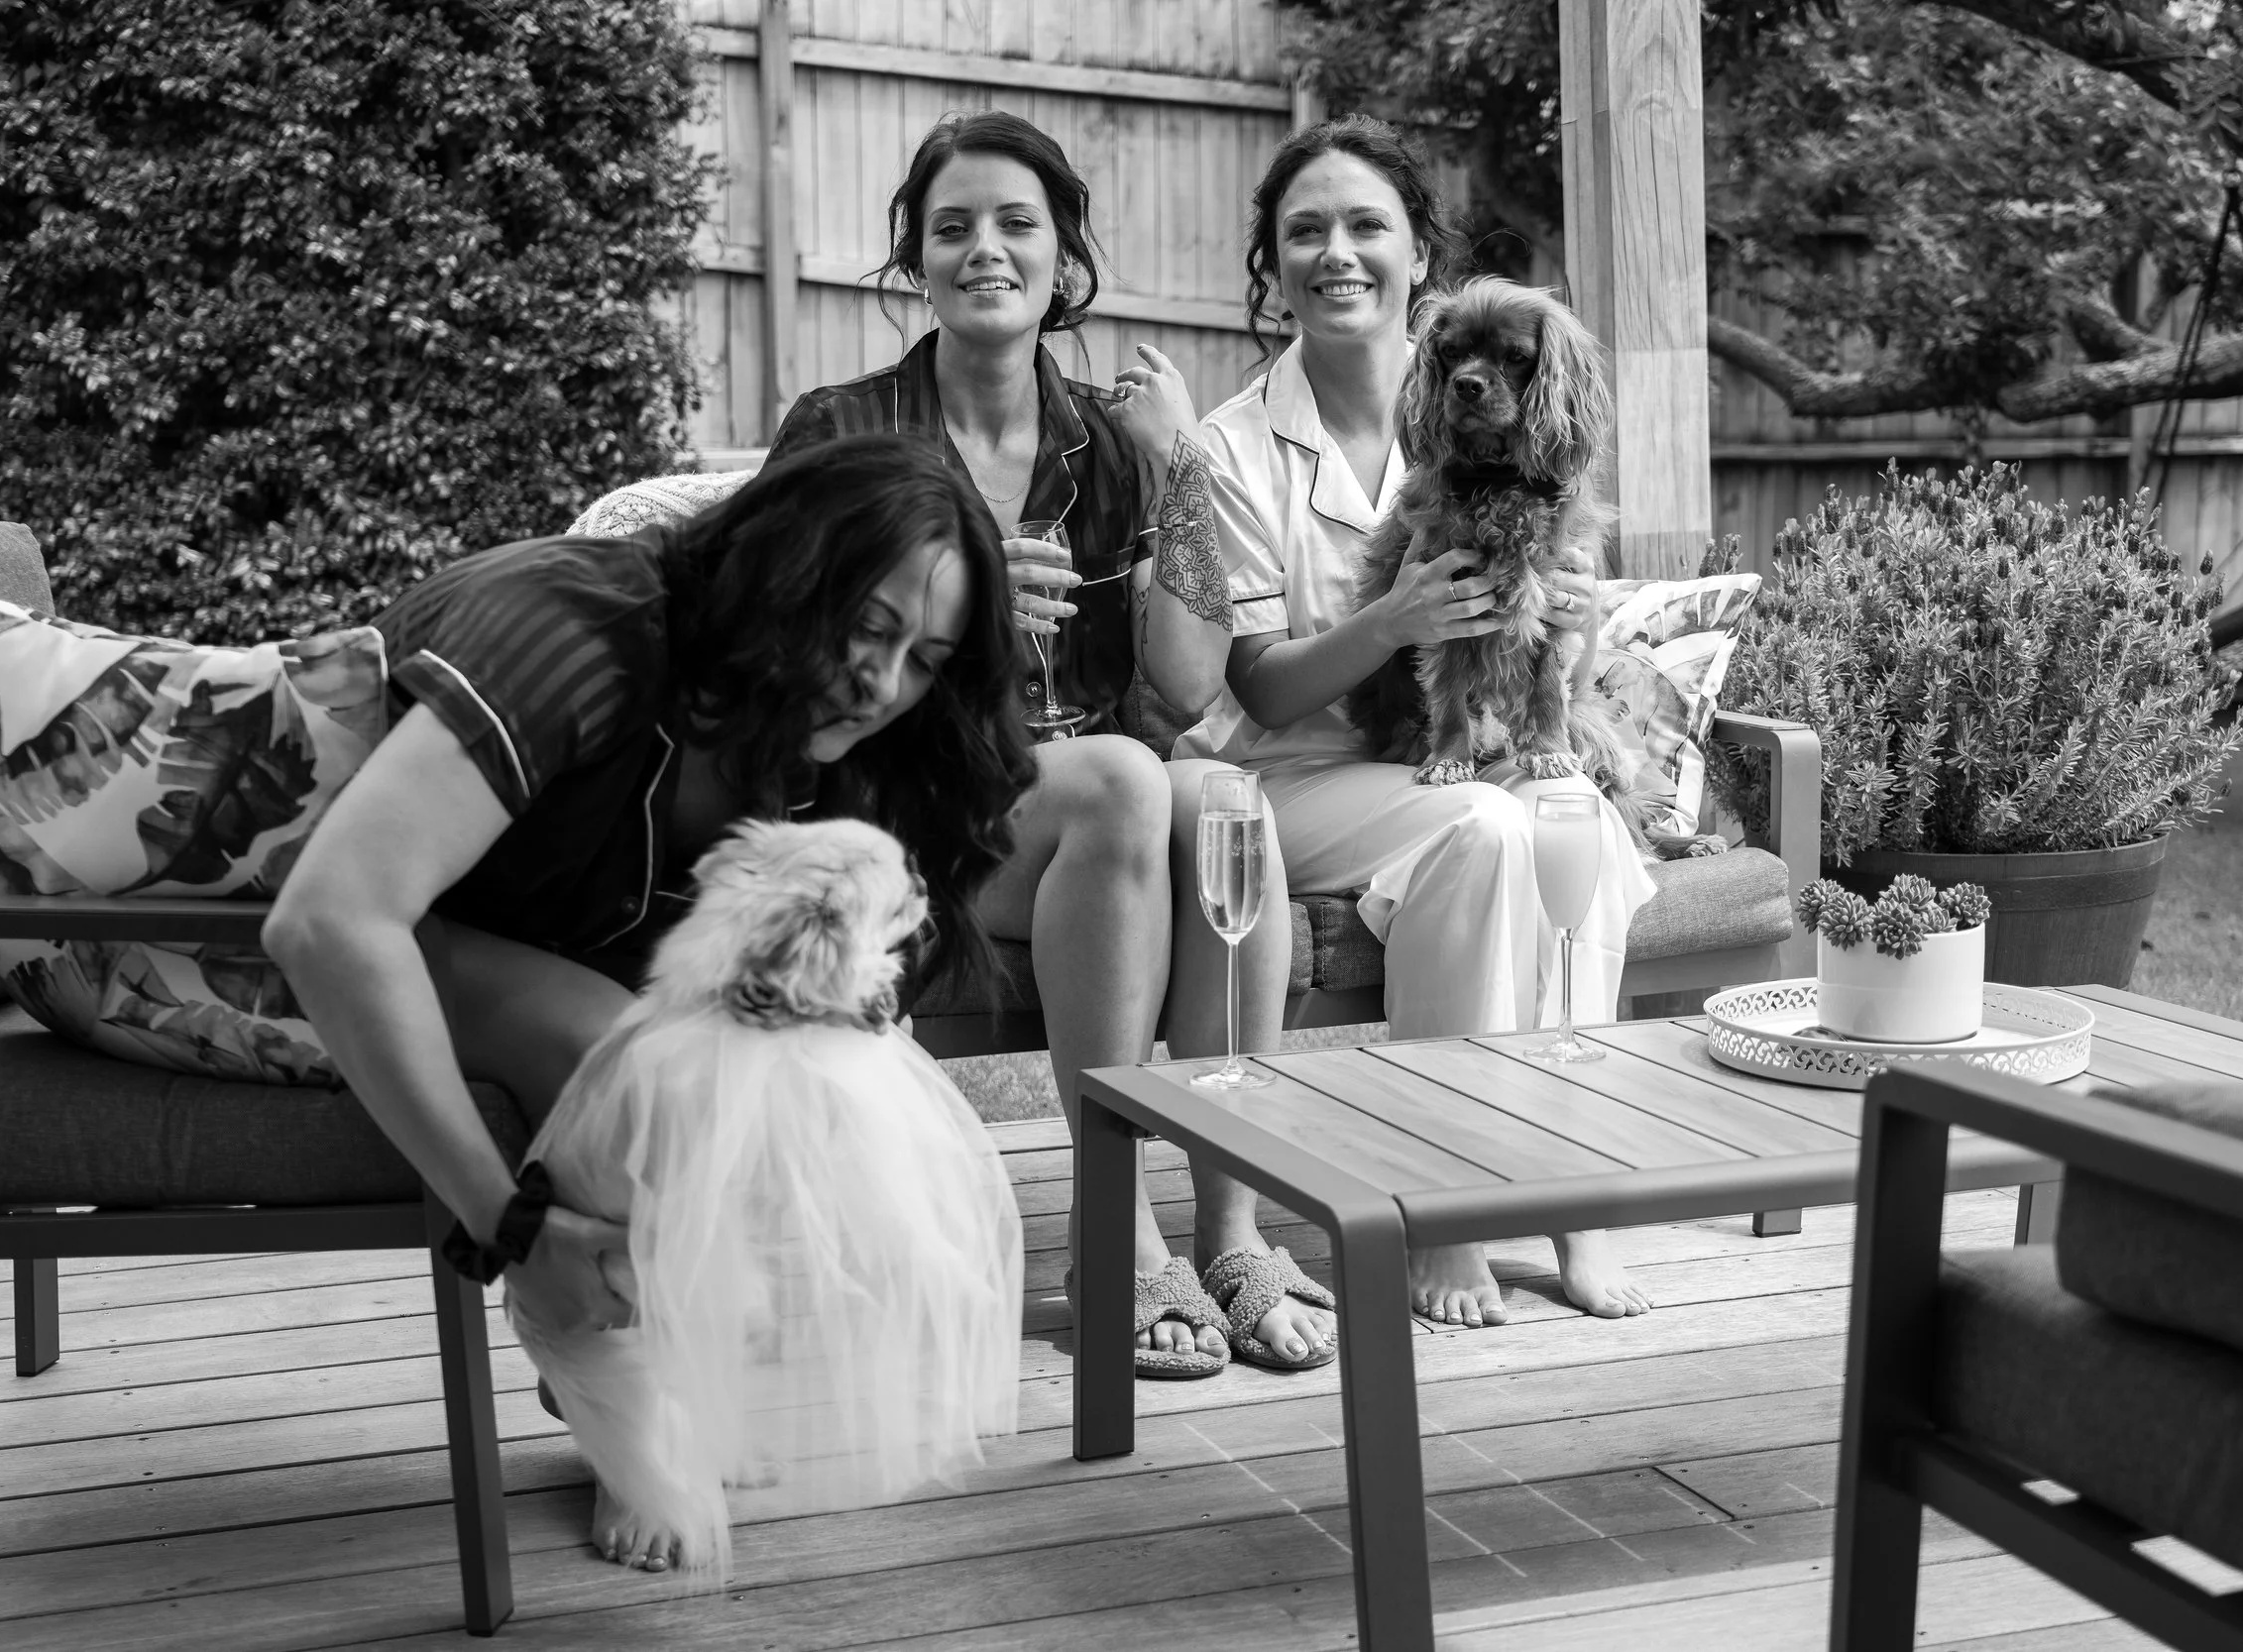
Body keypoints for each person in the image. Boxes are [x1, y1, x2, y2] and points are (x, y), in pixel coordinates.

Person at [583, 111, 1333, 1376]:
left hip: (1085, 828)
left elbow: (1190, 677)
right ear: (915, 260)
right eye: (952, 228)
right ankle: (1116, 1234)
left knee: (1223, 806)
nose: (985, 249)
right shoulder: (844, 428)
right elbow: (769, 658)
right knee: (1124, 776)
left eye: (1015, 224)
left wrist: (1182, 466)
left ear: (1062, 255)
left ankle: (1227, 1225)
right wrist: (968, 605)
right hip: (893, 813)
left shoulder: (1107, 439)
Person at [265, 436, 1037, 1569]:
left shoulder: (800, 719)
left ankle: (637, 1337)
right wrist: (507, 1225)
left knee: (780, 1073)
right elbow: (326, 921)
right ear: (783, 566)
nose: (883, 684)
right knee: (627, 1054)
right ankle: (599, 1371)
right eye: (866, 626)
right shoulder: (569, 634)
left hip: (515, 939)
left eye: (924, 657)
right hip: (266, 944)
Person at [1181, 115, 1660, 1326]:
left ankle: (1569, 1198)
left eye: (1364, 227)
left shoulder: (1512, 404)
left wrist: (1568, 621)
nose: (1335, 253)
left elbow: (1550, 639)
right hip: (1293, 775)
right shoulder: (1228, 448)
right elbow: (1260, 690)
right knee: (1486, 836)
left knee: (1569, 821)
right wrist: (1396, 620)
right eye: (1304, 232)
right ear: (1272, 265)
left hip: (1468, 754)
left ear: (1415, 255)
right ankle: (1438, 1212)